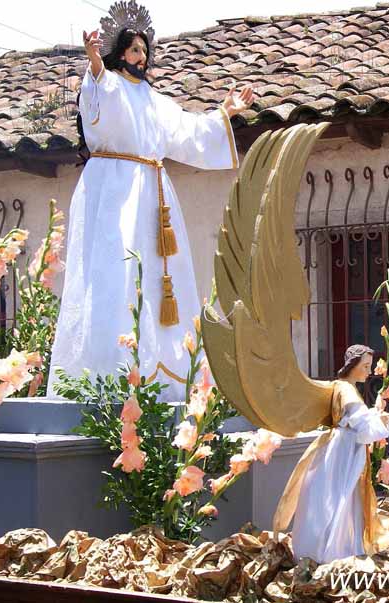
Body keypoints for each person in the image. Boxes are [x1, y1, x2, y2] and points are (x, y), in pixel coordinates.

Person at [47, 1, 254, 399]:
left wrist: (225, 112)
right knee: (117, 275)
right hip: (115, 193)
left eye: (144, 50)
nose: (141, 56)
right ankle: (111, 374)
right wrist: (94, 61)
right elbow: (97, 98)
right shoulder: (109, 85)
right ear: (119, 53)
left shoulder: (154, 100)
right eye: (134, 49)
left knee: (162, 278)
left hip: (155, 194)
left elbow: (187, 132)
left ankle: (165, 374)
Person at [274, 345, 389, 562]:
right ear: (353, 365)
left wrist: (374, 417)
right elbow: (361, 425)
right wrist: (381, 421)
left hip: (343, 447)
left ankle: (340, 545)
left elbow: (353, 418)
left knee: (340, 496)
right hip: (344, 452)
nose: (369, 371)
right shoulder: (346, 389)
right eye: (365, 366)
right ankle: (337, 549)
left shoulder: (343, 386)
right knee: (341, 496)